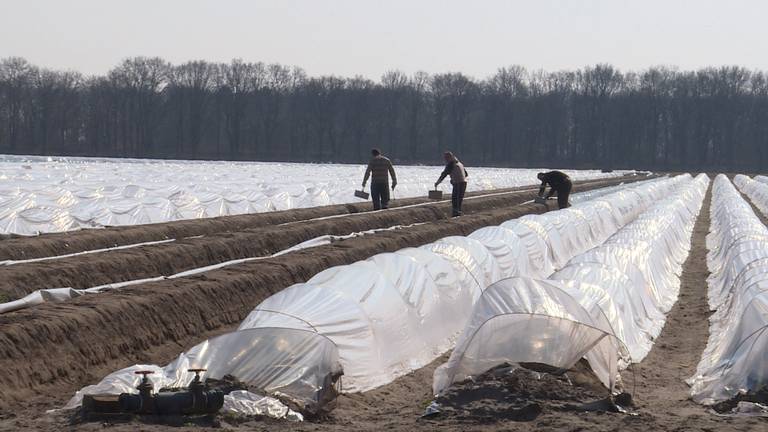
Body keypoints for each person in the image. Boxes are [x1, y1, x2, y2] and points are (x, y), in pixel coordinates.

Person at [435, 151, 468, 217]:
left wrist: (437, 182)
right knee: (459, 199)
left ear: (449, 157)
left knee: (455, 199)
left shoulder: (451, 164)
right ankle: (458, 213)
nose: (445, 160)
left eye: (446, 158)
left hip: (458, 183)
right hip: (464, 183)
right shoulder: (459, 163)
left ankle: (456, 214)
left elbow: (444, 174)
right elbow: (466, 174)